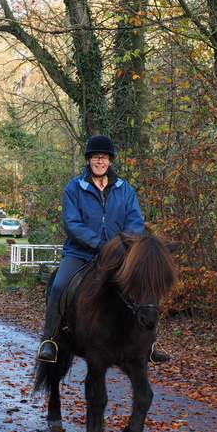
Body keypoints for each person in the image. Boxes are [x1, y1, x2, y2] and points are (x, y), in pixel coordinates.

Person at [36, 135, 170, 364]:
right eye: (96, 157)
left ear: (110, 161)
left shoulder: (124, 188)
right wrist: (98, 244)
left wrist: (123, 245)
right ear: (89, 160)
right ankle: (50, 341)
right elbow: (72, 223)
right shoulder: (74, 187)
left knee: (144, 287)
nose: (101, 162)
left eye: (105, 158)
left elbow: (135, 221)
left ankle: (149, 344)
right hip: (80, 252)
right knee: (58, 287)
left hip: (120, 253)